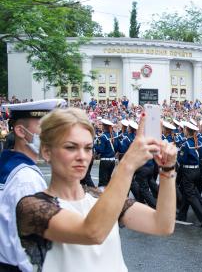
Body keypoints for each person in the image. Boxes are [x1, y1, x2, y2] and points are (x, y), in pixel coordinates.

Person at [15, 107, 177, 272]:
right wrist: (127, 164)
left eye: (88, 148)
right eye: (71, 147)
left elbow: (162, 224)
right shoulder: (31, 206)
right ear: (46, 152)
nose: (82, 156)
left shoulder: (99, 197)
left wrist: (168, 169)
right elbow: (92, 232)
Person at [0, 99, 65, 272]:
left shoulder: (8, 163)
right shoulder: (27, 179)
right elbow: (29, 244)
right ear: (21, 131)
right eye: (44, 127)